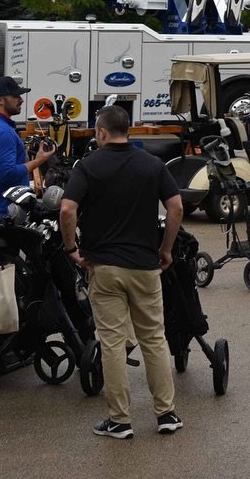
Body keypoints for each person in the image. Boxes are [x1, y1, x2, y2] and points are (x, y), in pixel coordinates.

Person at [60, 105, 184, 439]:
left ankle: (120, 420)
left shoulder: (88, 166)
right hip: (145, 266)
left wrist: (72, 249)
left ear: (101, 132)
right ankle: (166, 414)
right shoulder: (152, 165)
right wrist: (166, 248)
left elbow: (67, 209)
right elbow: (176, 207)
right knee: (154, 339)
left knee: (113, 343)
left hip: (105, 267)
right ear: (127, 130)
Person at [0, 76, 55, 219]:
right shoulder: (1, 131)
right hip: (5, 214)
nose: (21, 100)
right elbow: (8, 174)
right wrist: (38, 160)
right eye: (15, 96)